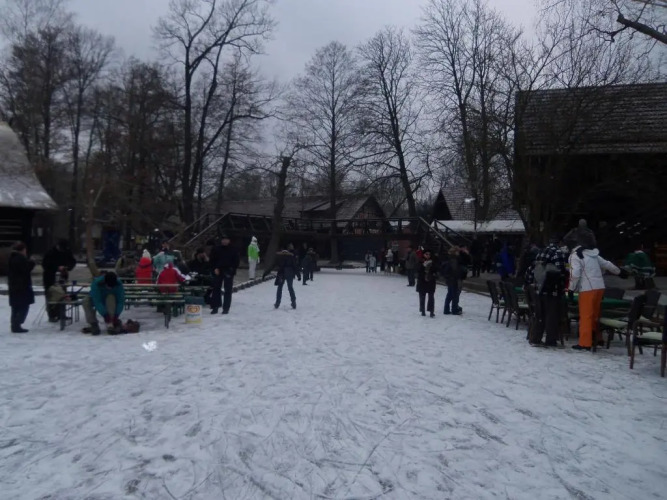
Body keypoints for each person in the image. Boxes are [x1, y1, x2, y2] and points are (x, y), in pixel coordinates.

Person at [568, 246, 626, 351]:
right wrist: (620, 272)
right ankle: (597, 338)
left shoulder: (575, 256)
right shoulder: (592, 254)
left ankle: (585, 343)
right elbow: (607, 264)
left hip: (587, 288)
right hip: (599, 287)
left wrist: (571, 289)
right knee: (595, 315)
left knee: (586, 316)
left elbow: (575, 274)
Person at [525, 237, 568, 347]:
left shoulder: (541, 252)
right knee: (551, 315)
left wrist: (531, 282)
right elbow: (561, 272)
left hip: (539, 288)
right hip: (552, 290)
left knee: (540, 315)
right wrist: (562, 286)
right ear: (560, 242)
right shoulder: (558, 253)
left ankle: (535, 338)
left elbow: (531, 269)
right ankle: (551, 340)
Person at [42, 239, 76, 322]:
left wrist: (67, 267)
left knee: (62, 295)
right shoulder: (50, 253)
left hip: (62, 277)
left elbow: (72, 261)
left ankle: (61, 313)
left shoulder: (67, 251)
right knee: (51, 296)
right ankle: (52, 315)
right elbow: (45, 264)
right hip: (50, 277)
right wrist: (57, 267)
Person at [8, 241, 35, 333]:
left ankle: (14, 324)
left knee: (15, 307)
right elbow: (25, 270)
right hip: (21, 286)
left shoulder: (12, 258)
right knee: (23, 306)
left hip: (14, 286)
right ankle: (17, 323)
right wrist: (32, 263)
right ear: (23, 250)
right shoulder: (20, 259)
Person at [263, 244, 301, 309]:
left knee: (280, 288)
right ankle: (293, 302)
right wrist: (298, 275)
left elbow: (272, 266)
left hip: (281, 273)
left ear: (281, 250)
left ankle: (277, 303)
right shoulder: (291, 256)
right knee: (290, 287)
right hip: (290, 273)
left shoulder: (278, 256)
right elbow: (295, 266)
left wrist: (265, 273)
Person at [209, 233, 239, 314]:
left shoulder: (233, 249)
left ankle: (226, 308)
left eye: (226, 240)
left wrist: (232, 270)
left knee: (228, 290)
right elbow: (212, 260)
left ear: (229, 240)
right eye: (223, 240)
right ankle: (215, 307)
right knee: (216, 289)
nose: (225, 241)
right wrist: (214, 268)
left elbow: (236, 262)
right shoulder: (216, 249)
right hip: (218, 270)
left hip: (229, 270)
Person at [442, 247, 463, 315]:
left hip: (449, 279)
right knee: (454, 295)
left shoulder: (449, 258)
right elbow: (455, 270)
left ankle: (446, 309)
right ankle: (454, 310)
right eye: (457, 251)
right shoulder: (454, 260)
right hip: (453, 279)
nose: (458, 253)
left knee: (450, 294)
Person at [416, 249, 436, 317]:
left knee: (431, 297)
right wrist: (423, 266)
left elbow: (436, 270)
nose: (428, 255)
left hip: (431, 281)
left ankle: (431, 311)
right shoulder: (420, 261)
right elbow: (418, 270)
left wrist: (433, 273)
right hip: (422, 281)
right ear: (423, 254)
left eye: (429, 254)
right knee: (422, 297)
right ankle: (422, 310)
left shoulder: (433, 262)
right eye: (426, 254)